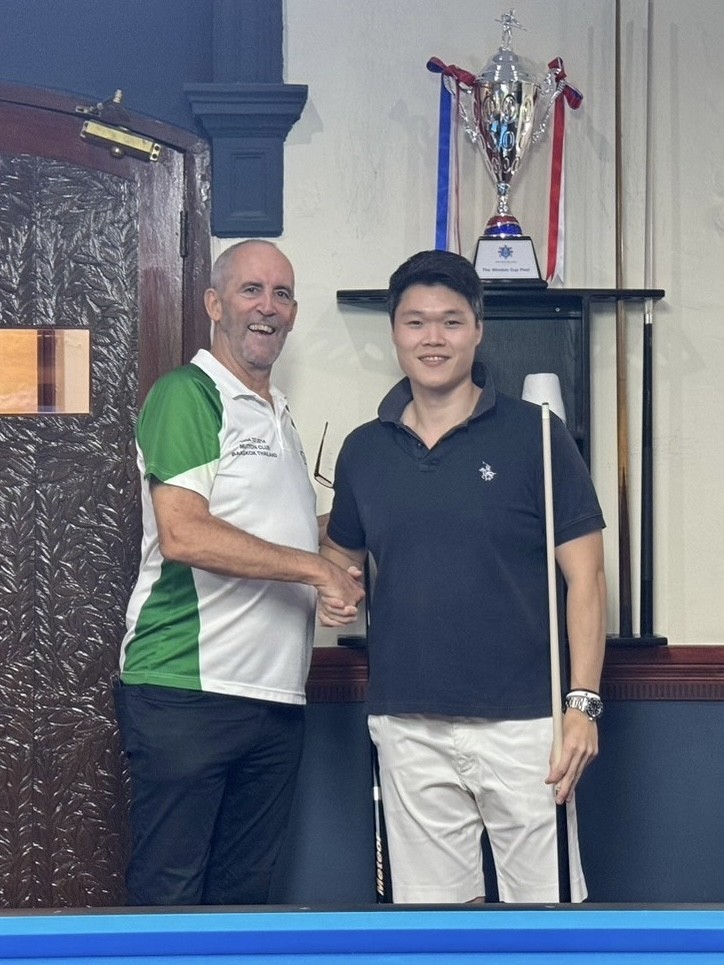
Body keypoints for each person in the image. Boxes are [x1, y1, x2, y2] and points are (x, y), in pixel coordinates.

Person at [319, 249, 606, 904]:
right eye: (416, 322)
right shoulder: (364, 449)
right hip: (408, 724)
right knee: (434, 929)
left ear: (478, 329)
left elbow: (587, 579)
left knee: (548, 920)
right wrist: (330, 583)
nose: (433, 338)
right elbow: (340, 557)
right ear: (395, 332)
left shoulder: (539, 435)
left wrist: (583, 706)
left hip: (527, 726)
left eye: (450, 321)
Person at [115, 239, 363, 906]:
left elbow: (282, 531)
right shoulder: (190, 394)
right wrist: (316, 569)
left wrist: (361, 538)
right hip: (186, 689)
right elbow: (184, 532)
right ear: (215, 304)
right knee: (168, 898)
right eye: (251, 290)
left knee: (243, 902)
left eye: (282, 294)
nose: (268, 306)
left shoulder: (278, 414)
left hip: (275, 697)